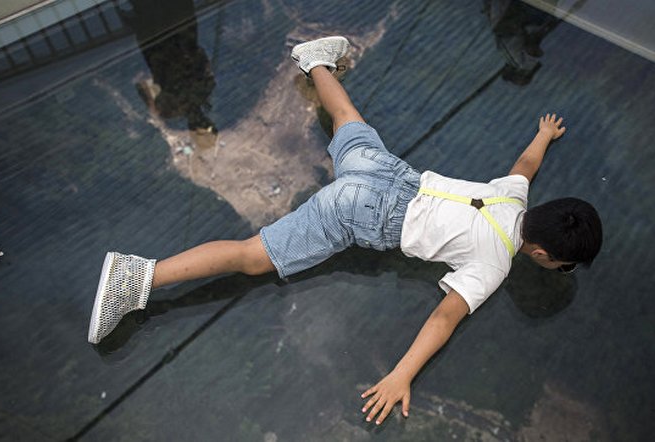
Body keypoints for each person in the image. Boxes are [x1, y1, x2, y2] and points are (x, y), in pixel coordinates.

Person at [88, 36, 602, 425]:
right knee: (253, 255)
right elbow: (444, 319)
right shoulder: (492, 264)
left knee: (347, 119)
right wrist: (402, 374)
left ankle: (314, 60)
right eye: (564, 262)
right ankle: (139, 277)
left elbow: (525, 166)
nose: (562, 268)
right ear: (538, 251)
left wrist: (542, 135)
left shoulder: (515, 197)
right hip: (359, 214)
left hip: (389, 173)